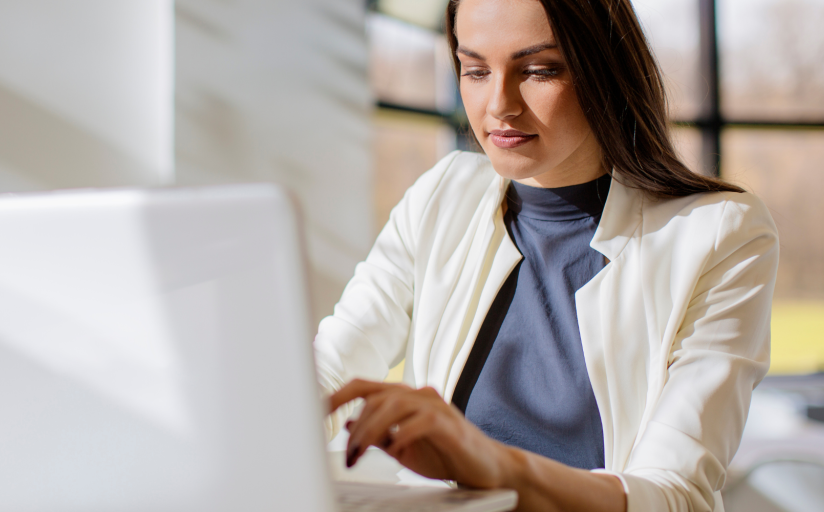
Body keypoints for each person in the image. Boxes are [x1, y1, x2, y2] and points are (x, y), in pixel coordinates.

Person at [316, 1, 779, 511]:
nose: (498, 104)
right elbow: (332, 364)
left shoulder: (720, 233)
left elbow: (674, 494)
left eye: (539, 70)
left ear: (604, 69)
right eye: (475, 70)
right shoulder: (442, 195)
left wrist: (494, 464)